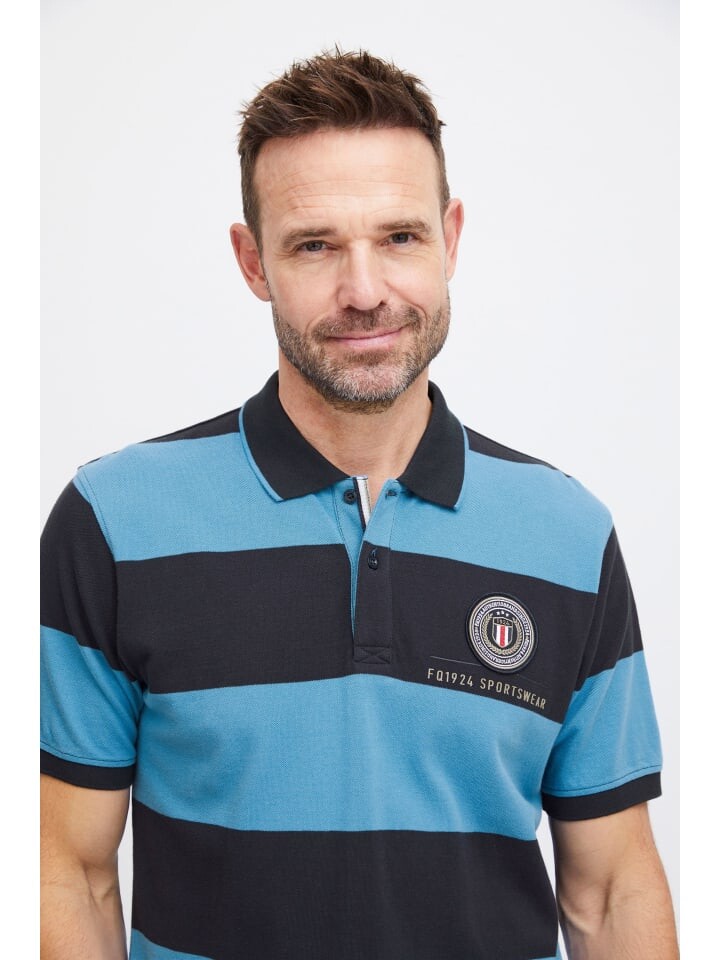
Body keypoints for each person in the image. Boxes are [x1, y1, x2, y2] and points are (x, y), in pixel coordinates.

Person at [40, 49, 678, 960]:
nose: (366, 291)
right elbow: (68, 871)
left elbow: (611, 892)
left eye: (400, 237)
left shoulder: (569, 535)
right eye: (315, 245)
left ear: (451, 239)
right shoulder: (113, 522)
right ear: (252, 261)